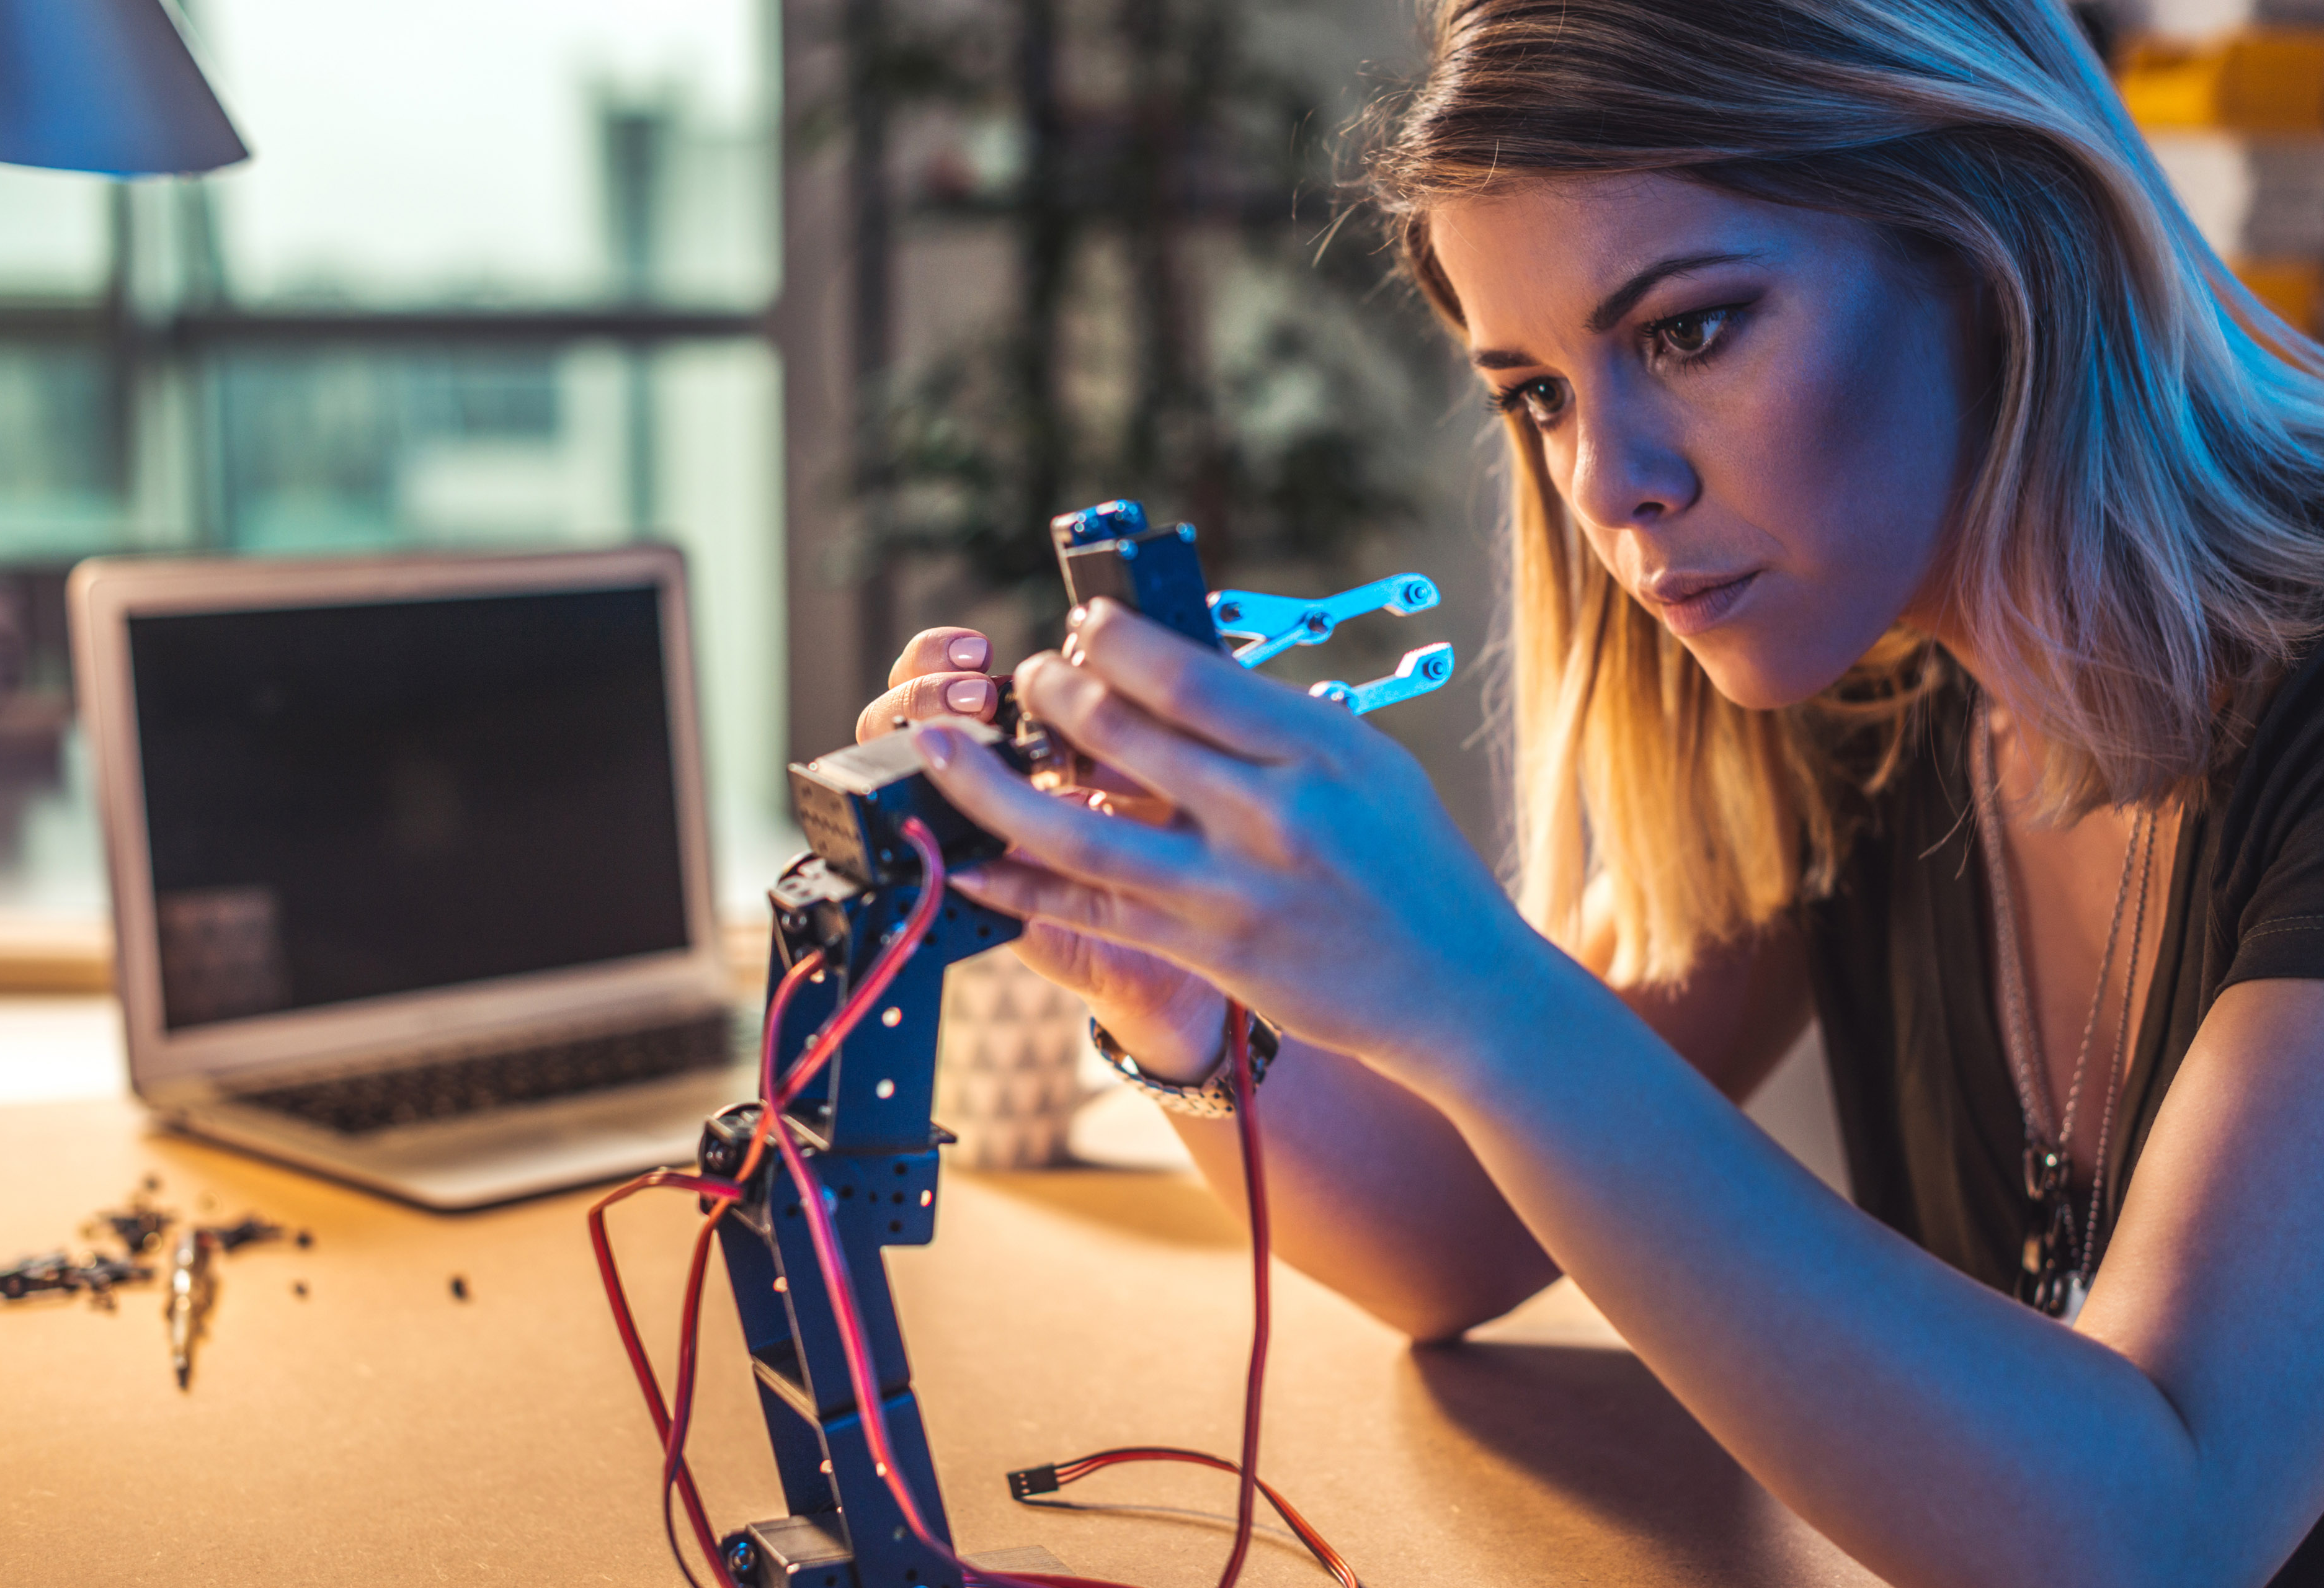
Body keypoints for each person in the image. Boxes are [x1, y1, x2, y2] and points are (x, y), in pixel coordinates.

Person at [856, 2, 2324, 1582]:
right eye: (1537, 392)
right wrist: (1175, 990)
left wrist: (1474, 988)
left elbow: (2161, 1531)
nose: (1608, 481)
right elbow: (1452, 1234)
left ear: (1986, 260)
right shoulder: (1879, 698)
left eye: (1688, 331)